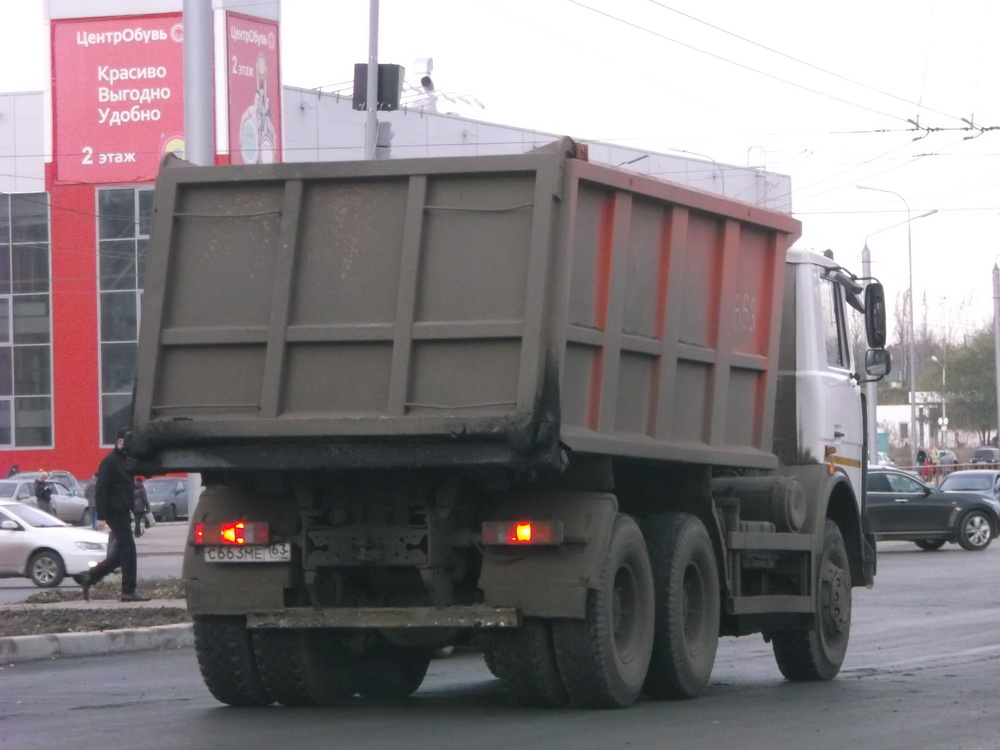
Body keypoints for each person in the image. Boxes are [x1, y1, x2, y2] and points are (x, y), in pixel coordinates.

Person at [72, 430, 150, 602]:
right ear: (120, 441)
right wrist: (101, 516)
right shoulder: (110, 462)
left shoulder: (126, 460)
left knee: (121, 553)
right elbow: (101, 490)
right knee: (129, 549)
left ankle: (89, 577)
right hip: (114, 512)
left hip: (123, 511)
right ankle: (128, 591)